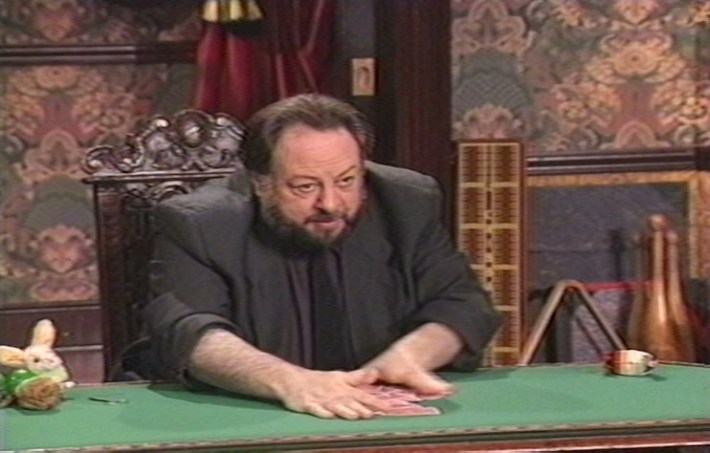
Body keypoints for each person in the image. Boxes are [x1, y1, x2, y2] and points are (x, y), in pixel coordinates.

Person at [134, 93, 501, 419]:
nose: (330, 203)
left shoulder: (406, 202)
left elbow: (463, 303)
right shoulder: (199, 224)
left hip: (374, 414)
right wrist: (291, 382)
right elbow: (192, 334)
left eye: (347, 180)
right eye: (305, 187)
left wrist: (413, 355)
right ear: (260, 183)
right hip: (248, 416)